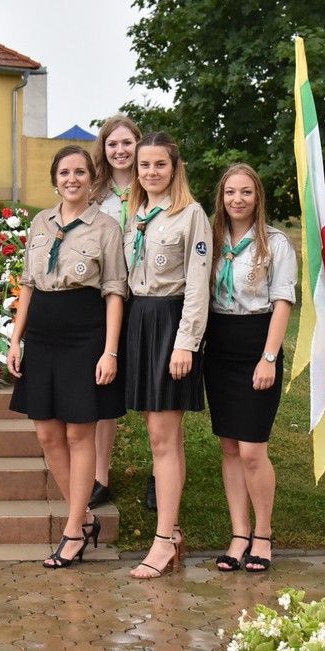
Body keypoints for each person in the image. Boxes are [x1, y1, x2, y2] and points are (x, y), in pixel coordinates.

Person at [7, 146, 127, 568]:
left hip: (85, 335)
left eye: (79, 172)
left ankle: (73, 530)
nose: (71, 179)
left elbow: (115, 292)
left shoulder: (106, 227)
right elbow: (27, 284)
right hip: (42, 336)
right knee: (46, 433)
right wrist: (15, 340)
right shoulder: (40, 221)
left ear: (92, 178)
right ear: (55, 179)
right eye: (64, 172)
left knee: (79, 435)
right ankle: (86, 517)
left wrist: (110, 351)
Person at [122, 131, 212, 579]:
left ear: (175, 168)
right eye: (144, 165)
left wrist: (185, 342)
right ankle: (172, 533)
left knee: (163, 436)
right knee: (160, 436)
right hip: (138, 320)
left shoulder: (190, 214)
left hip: (170, 323)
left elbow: (198, 283)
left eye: (160, 164)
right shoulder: (134, 214)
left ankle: (161, 541)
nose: (151, 172)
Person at [204, 165, 297, 575]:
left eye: (245, 192)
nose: (237, 199)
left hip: (258, 343)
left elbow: (283, 302)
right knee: (229, 448)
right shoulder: (209, 240)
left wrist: (269, 357)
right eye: (230, 192)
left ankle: (263, 534)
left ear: (257, 196)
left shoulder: (275, 243)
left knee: (252, 450)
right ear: (221, 197)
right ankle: (239, 534)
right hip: (219, 346)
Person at [89, 114, 140, 510]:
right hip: (104, 296)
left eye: (127, 142)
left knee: (157, 395)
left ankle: (160, 476)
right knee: (103, 387)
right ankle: (100, 476)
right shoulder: (95, 194)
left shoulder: (153, 185)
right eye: (112, 144)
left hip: (146, 296)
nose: (120, 150)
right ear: (103, 149)